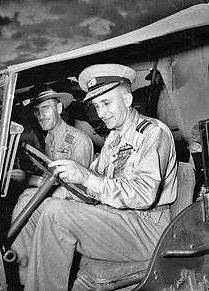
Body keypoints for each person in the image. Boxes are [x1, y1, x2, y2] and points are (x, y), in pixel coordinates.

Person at [13, 64, 178, 291]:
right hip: (117, 216)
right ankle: (26, 281)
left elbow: (143, 194)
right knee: (35, 204)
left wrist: (86, 178)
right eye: (96, 105)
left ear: (128, 100)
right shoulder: (114, 137)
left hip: (148, 229)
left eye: (106, 103)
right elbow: (92, 182)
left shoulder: (152, 133)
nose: (100, 113)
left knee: (56, 214)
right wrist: (70, 185)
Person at [11, 85, 94, 285]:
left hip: (76, 206)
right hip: (58, 195)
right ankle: (24, 274)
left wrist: (33, 182)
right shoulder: (50, 138)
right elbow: (50, 175)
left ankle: (31, 275)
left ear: (58, 108)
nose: (40, 115)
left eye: (46, 108)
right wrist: (29, 179)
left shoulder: (78, 140)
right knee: (25, 198)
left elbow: (79, 192)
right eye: (37, 111)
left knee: (27, 200)